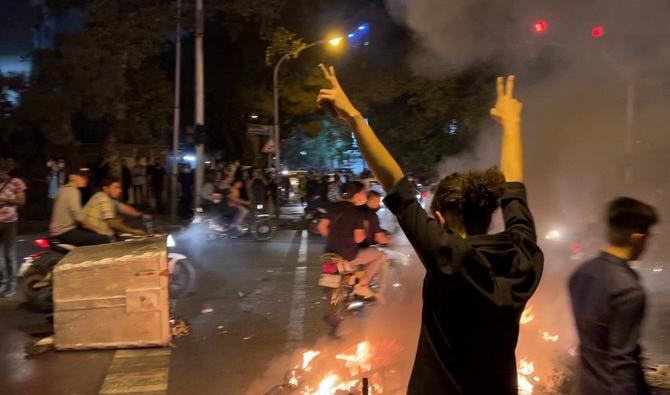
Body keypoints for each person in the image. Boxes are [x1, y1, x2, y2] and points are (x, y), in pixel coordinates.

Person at [316, 65, 543, 394]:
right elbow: (515, 189)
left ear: (440, 216)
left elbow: (394, 183)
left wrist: (353, 117)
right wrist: (513, 124)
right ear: (491, 210)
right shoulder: (523, 256)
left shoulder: (448, 256)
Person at [569, 198, 658, 395]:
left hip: (585, 387)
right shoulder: (628, 291)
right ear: (637, 238)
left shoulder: (581, 273)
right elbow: (622, 365)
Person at [317, 181, 386, 299]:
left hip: (330, 252)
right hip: (348, 254)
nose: (365, 195)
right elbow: (358, 239)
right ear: (356, 195)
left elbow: (321, 227)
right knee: (379, 256)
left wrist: (335, 239)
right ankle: (363, 286)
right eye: (364, 192)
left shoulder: (334, 207)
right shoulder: (357, 212)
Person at [50, 166, 111, 246]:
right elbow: (79, 217)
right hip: (65, 232)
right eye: (82, 177)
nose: (86, 179)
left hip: (57, 231)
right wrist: (97, 230)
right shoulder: (73, 191)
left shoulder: (63, 189)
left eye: (87, 177)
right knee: (104, 239)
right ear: (72, 177)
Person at [0, 159, 27, 297]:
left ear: (6, 171)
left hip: (10, 222)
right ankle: (3, 283)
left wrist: (6, 199)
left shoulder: (16, 182)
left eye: (2, 172)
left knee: (9, 255)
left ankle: (12, 286)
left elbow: (22, 200)